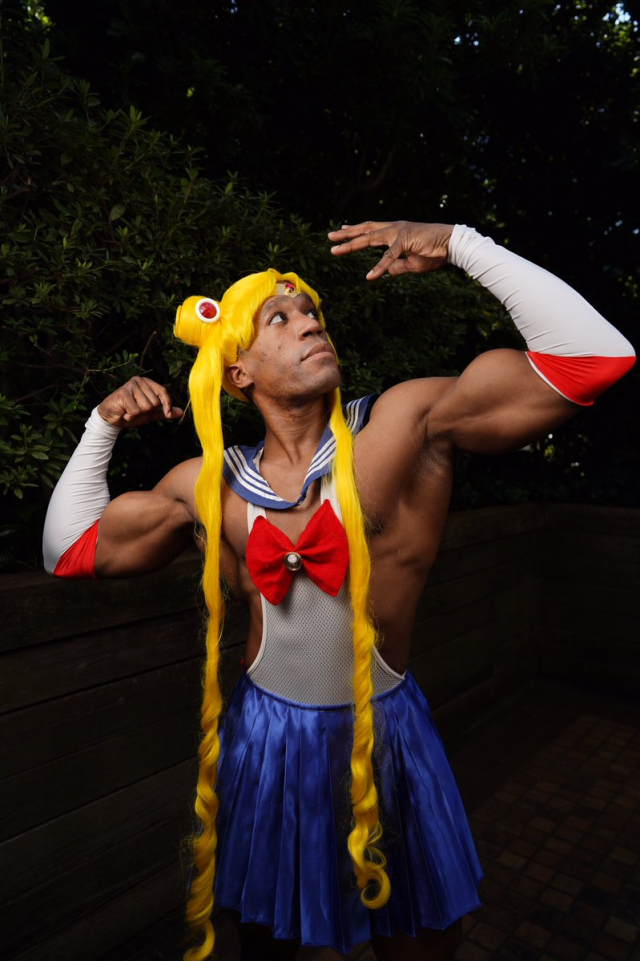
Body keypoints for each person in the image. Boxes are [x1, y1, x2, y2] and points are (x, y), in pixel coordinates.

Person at [42, 220, 635, 961]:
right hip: (264, 738)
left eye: (312, 312)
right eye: (279, 319)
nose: (309, 324)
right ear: (238, 373)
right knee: (265, 935)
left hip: (385, 732)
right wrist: (101, 424)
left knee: (420, 936)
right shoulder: (206, 484)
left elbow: (597, 358)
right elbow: (68, 552)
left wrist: (462, 243)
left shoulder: (405, 425)